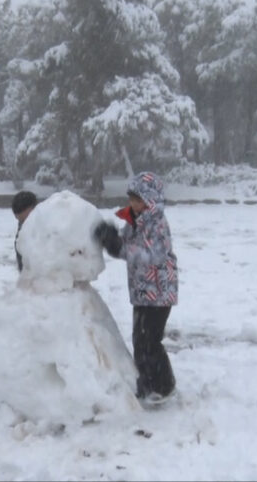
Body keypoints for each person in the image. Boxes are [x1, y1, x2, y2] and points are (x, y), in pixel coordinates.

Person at [94, 171, 178, 404]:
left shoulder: (157, 223)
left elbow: (154, 255)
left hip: (160, 292)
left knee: (151, 339)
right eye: (131, 198)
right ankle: (146, 382)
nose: (132, 204)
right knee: (139, 339)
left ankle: (164, 385)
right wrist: (112, 242)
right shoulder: (135, 221)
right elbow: (127, 248)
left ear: (150, 199)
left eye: (137, 199)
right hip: (142, 291)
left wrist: (123, 247)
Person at [11, 190, 37, 272]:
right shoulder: (21, 239)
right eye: (22, 220)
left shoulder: (53, 227)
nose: (26, 223)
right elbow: (23, 270)